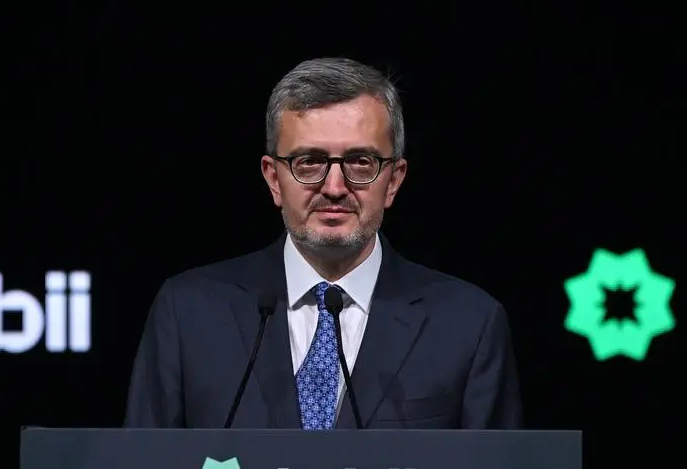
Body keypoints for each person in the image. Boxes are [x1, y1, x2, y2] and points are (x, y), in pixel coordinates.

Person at [124, 57, 523, 430]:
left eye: (361, 162)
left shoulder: (468, 325)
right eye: (309, 162)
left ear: (394, 180)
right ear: (274, 178)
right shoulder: (188, 313)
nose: (334, 187)